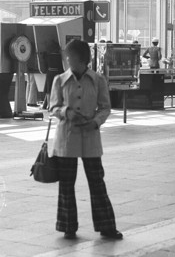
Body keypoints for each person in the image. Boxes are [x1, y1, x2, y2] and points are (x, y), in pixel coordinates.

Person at [48, 39, 122, 241]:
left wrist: (96, 122)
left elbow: (105, 107)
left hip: (90, 137)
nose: (67, 59)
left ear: (78, 58)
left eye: (69, 55)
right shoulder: (60, 80)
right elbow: (53, 107)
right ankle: (67, 227)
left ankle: (107, 227)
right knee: (66, 185)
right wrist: (66, 112)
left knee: (97, 182)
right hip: (66, 138)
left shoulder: (97, 80)